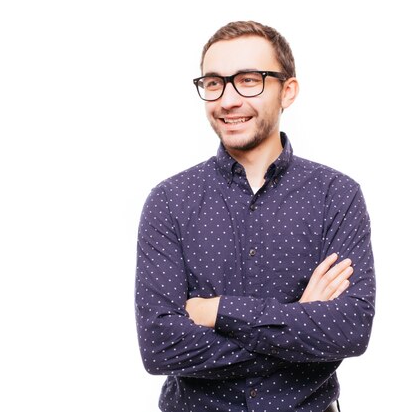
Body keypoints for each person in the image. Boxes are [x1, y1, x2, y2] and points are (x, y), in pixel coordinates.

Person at [135, 20, 376, 412]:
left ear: (288, 91)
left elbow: (350, 330)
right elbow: (158, 346)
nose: (228, 99)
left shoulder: (337, 195)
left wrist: (217, 311)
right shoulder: (169, 201)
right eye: (214, 83)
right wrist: (299, 323)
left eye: (249, 80)